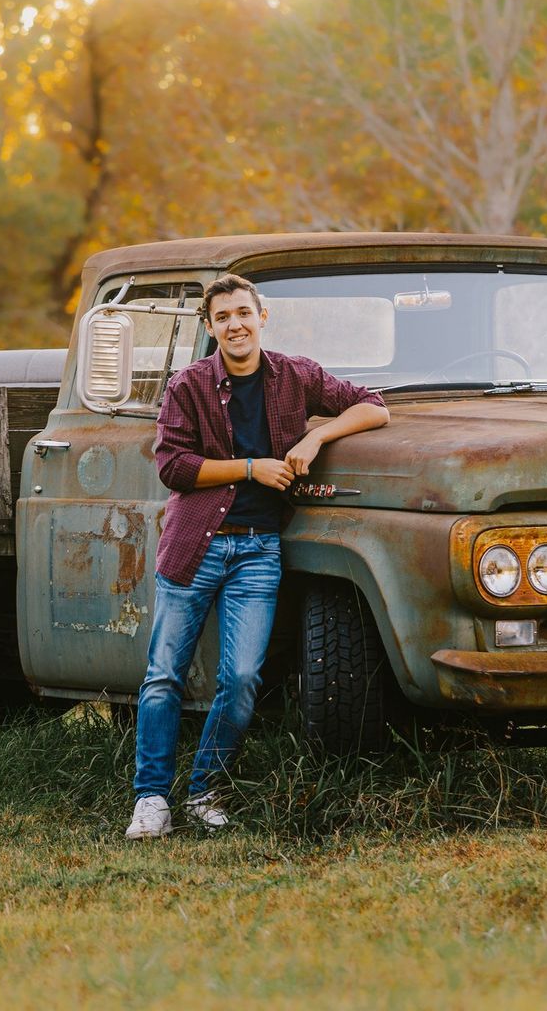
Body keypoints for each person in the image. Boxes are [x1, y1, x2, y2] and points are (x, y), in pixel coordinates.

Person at [124, 273, 389, 839]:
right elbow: (172, 466)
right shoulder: (187, 386)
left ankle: (205, 789)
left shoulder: (296, 376)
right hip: (195, 548)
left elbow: (373, 406)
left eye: (243, 313)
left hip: (258, 552)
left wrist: (315, 437)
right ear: (210, 326)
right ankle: (151, 799)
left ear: (261, 316)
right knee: (163, 675)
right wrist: (250, 468)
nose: (235, 325)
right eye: (223, 318)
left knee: (242, 677)